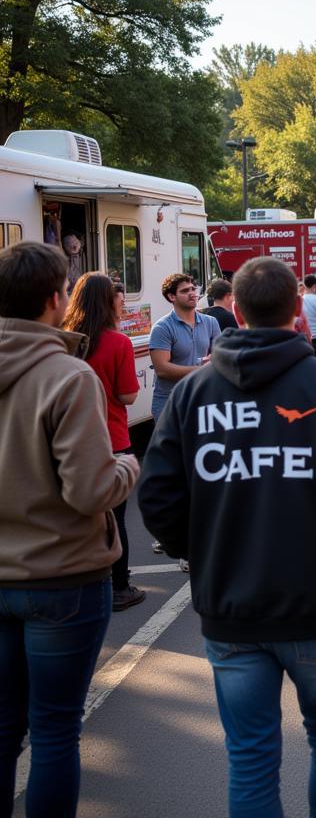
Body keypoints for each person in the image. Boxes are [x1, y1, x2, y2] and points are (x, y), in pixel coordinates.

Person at [138, 255, 316, 818]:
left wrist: (202, 552)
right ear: (298, 314)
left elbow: (156, 497)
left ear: (235, 310)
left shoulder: (192, 394)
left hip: (232, 605)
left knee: (250, 755)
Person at [0, 242, 139, 817]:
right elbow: (90, 490)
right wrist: (129, 466)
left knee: (4, 728)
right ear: (56, 299)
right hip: (62, 576)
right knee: (55, 730)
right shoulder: (67, 375)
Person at [62, 272, 145, 612]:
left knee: (73, 516)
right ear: (108, 302)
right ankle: (120, 586)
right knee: (114, 519)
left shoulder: (64, 339)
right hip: (111, 439)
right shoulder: (118, 342)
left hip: (67, 440)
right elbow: (127, 395)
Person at [149, 273, 221, 422]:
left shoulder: (211, 322)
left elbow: (219, 358)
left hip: (201, 399)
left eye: (193, 289)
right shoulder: (162, 327)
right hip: (170, 402)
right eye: (185, 291)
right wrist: (202, 370)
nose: (192, 294)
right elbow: (162, 369)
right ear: (171, 297)